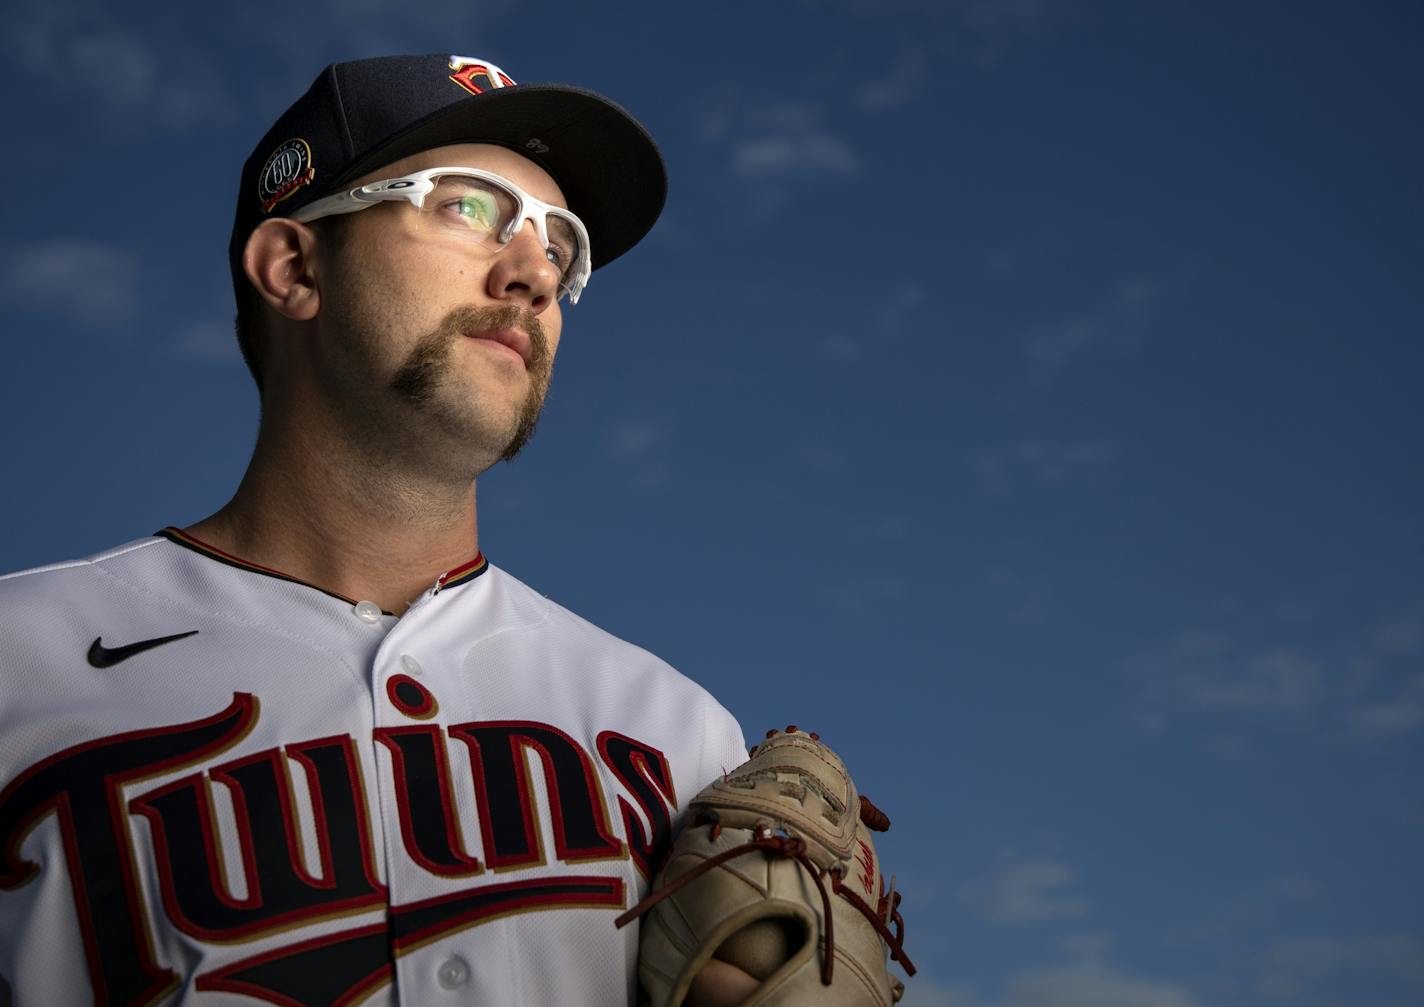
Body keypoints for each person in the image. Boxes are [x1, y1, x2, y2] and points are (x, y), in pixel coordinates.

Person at [0, 54, 755, 1005]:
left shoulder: (680, 735)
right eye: (468, 207)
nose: (533, 273)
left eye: (560, 244)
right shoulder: (16, 664)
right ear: (295, 267)